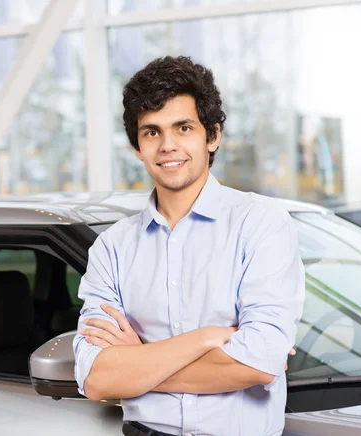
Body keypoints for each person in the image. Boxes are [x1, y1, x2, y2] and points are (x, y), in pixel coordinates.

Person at [73, 56, 305, 436]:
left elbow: (259, 363)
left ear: (211, 136)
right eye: (151, 132)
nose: (168, 146)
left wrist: (137, 363)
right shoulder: (112, 248)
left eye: (183, 128)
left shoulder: (261, 223)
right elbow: (97, 380)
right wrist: (206, 338)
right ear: (137, 147)